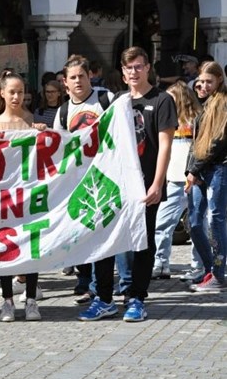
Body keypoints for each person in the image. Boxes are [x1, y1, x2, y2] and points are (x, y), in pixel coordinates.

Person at [79, 46, 176, 322]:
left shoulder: (162, 100)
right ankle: (104, 298)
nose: (133, 72)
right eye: (128, 68)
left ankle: (136, 298)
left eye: (138, 66)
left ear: (147, 68)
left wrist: (157, 184)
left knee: (141, 245)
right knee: (107, 240)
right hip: (117, 186)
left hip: (145, 185)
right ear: (122, 73)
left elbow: (165, 147)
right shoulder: (118, 102)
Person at [0, 72, 45, 321]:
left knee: (30, 245)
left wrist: (43, 133)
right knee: (5, 245)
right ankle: (7, 301)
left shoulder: (32, 120)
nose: (16, 96)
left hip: (28, 193)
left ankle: (31, 299)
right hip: (2, 195)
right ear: (1, 93)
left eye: (20, 91)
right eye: (11, 92)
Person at [54, 55, 115, 304]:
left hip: (106, 176)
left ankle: (104, 285)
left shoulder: (106, 99)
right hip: (78, 180)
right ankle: (85, 279)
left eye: (81, 75)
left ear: (90, 75)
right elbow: (58, 148)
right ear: (65, 83)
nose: (78, 81)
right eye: (72, 78)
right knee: (80, 231)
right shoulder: (63, 111)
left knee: (103, 232)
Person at [152, 81, 201, 280]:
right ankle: (161, 263)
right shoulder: (164, 121)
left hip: (193, 179)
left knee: (197, 226)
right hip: (172, 179)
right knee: (162, 223)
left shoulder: (195, 119)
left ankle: (198, 267)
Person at [185, 61, 227, 292]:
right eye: (201, 81)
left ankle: (218, 275)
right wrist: (190, 171)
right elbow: (196, 142)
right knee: (193, 222)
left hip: (219, 167)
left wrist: (194, 169)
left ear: (219, 80)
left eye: (209, 81)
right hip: (202, 169)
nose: (204, 85)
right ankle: (211, 269)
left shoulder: (223, 104)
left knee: (215, 220)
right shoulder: (207, 103)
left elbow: (217, 142)